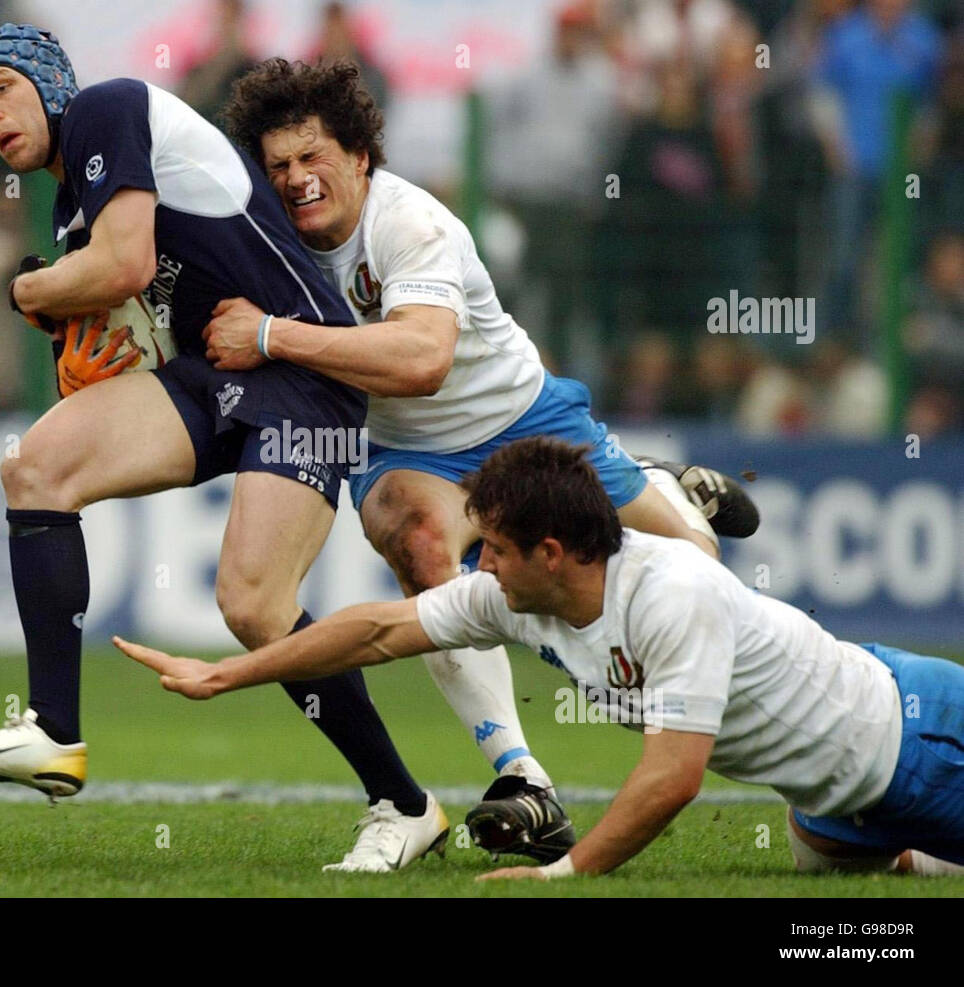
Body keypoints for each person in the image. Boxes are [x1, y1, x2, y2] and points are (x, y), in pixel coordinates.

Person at [0, 24, 445, 873]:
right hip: (211, 371)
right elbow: (136, 328)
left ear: (53, 83)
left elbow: (124, 268)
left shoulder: (107, 109)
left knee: (252, 604)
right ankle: (52, 733)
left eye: (3, 87)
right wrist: (85, 348)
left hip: (297, 366)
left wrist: (29, 288)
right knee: (37, 465)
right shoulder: (72, 207)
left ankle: (404, 803)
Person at [212, 57, 757, 857]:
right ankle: (523, 777)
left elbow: (423, 359)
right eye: (279, 165)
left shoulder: (413, 223)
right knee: (420, 544)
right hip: (406, 449)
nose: (296, 179)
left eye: (313, 156)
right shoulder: (267, 242)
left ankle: (659, 487)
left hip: (524, 419)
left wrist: (267, 335)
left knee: (697, 568)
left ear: (360, 155)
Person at [116, 436, 964, 880]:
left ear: (552, 550)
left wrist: (566, 871)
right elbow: (376, 629)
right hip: (832, 806)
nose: (476, 566)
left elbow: (674, 780)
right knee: (835, 871)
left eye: (492, 548)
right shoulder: (518, 595)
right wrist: (226, 672)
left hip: (924, 740)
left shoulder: (672, 594)